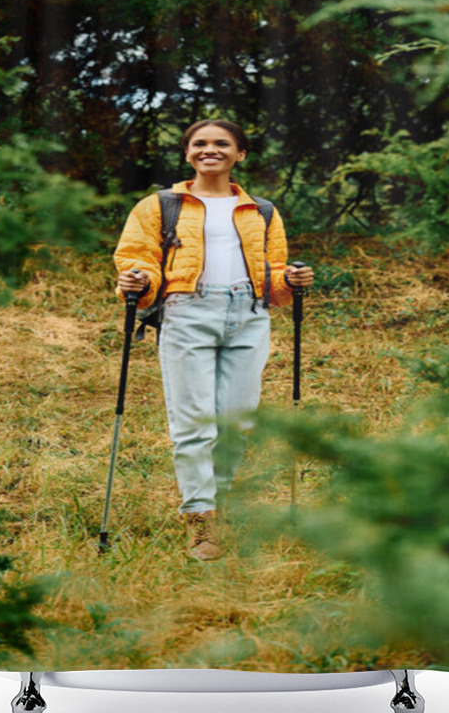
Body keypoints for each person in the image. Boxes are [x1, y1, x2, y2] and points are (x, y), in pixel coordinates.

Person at [114, 120, 314, 561]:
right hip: (187, 312)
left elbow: (274, 270)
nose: (210, 150)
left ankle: (218, 502)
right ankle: (201, 519)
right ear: (187, 153)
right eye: (200, 144)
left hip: (249, 315)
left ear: (239, 154)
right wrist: (138, 279)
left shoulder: (261, 210)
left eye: (221, 144)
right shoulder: (159, 206)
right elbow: (137, 257)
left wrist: (292, 279)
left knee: (237, 422)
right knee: (194, 422)